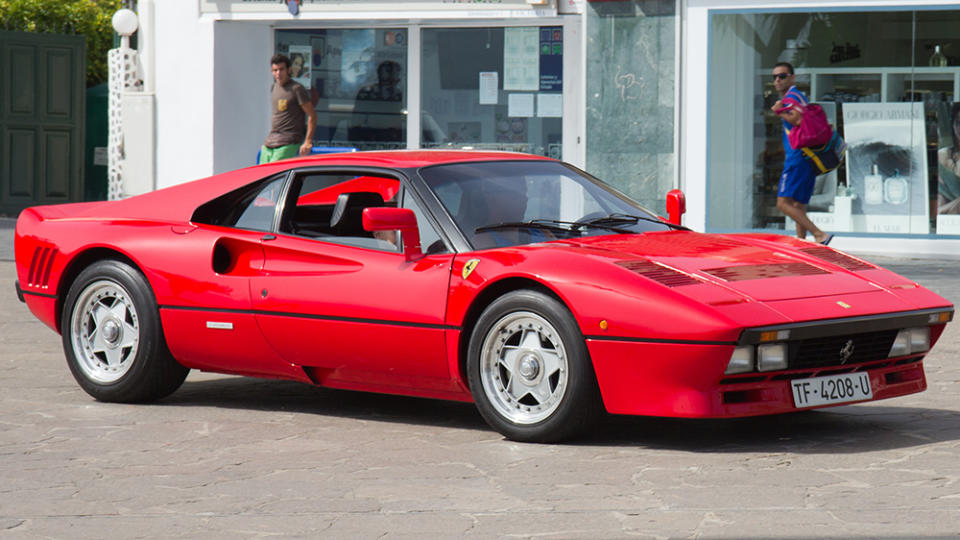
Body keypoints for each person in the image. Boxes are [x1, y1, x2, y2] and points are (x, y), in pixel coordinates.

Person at [770, 62, 833, 245]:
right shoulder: (799, 96)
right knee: (798, 204)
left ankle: (819, 234)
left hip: (797, 157)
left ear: (792, 77)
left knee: (783, 203)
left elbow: (797, 119)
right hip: (807, 157)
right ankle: (801, 243)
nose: (777, 80)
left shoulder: (791, 97)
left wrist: (778, 111)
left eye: (782, 76)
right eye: (774, 77)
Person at [259, 54, 317, 164]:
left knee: (274, 175)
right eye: (275, 70)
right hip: (270, 142)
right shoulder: (273, 87)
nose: (278, 73)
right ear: (271, 71)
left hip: (289, 142)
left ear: (289, 70)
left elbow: (312, 115)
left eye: (281, 69)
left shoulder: (297, 89)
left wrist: (308, 141)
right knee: (260, 177)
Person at [937, 102, 960, 214]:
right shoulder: (943, 154)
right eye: (958, 123)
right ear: (953, 125)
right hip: (949, 218)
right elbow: (939, 208)